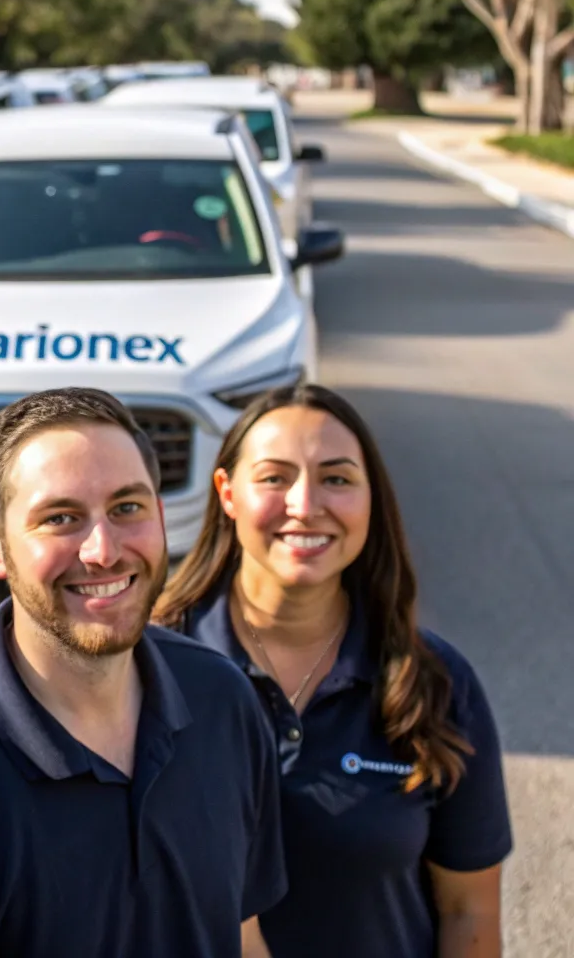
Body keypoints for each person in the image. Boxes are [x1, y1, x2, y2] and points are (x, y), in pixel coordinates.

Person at [0, 387, 286, 958]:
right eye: (60, 518)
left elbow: (243, 933)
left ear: (160, 516)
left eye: (127, 508)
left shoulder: (225, 700)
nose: (103, 550)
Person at [152, 383, 513, 958]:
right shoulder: (152, 666)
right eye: (274, 477)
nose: (304, 504)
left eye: (337, 479)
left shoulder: (435, 681)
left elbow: (468, 909)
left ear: (371, 499)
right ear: (227, 493)